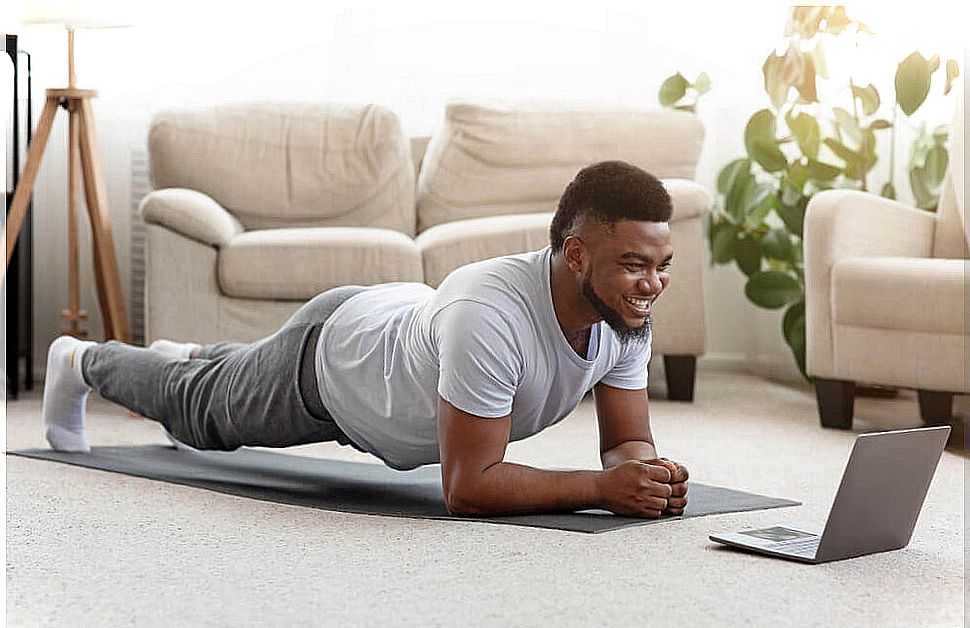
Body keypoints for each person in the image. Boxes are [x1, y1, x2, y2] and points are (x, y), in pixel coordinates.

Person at [42, 160, 689, 518]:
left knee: (215, 379)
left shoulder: (622, 314)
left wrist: (644, 474)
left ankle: (193, 361)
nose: (652, 284)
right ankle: (83, 360)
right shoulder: (490, 315)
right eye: (635, 264)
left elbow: (626, 441)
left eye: (661, 266)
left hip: (393, 329)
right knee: (199, 416)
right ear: (576, 254)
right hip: (333, 368)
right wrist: (603, 489)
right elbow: (469, 485)